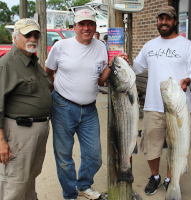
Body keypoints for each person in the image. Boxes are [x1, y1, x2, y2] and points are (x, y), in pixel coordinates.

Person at [45, 8, 121, 200]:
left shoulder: (101, 47)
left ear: (95, 26)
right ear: (75, 26)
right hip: (63, 106)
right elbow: (48, 71)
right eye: (82, 24)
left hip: (89, 109)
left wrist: (112, 66)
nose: (86, 28)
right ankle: (70, 194)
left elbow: (100, 80)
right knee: (64, 157)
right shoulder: (61, 46)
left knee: (94, 155)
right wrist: (57, 93)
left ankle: (83, 185)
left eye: (90, 24)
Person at [131, 6, 191, 195]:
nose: (163, 22)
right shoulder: (150, 45)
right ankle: (155, 177)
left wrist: (189, 80)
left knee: (176, 145)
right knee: (151, 145)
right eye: (160, 19)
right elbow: (138, 66)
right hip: (153, 105)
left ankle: (171, 178)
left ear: (175, 21)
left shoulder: (187, 45)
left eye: (167, 19)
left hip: (179, 107)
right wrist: (127, 60)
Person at [0, 18, 52, 200]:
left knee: (30, 176)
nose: (33, 38)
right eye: (27, 34)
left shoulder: (33, 63)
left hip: (37, 132)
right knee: (15, 181)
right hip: (19, 131)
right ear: (16, 37)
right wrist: (1, 141)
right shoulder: (7, 64)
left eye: (36, 35)